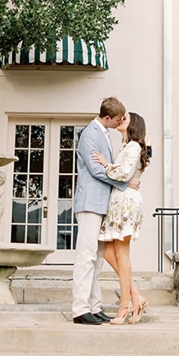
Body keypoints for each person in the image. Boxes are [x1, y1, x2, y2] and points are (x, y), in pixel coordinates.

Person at [71, 96, 130, 325]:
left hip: (101, 204)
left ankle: (94, 306)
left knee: (97, 259)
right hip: (89, 204)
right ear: (107, 117)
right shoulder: (89, 134)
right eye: (117, 119)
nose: (119, 122)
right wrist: (124, 182)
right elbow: (96, 170)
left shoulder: (104, 133)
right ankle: (80, 308)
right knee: (86, 256)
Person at [93, 111, 152, 324]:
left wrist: (105, 164)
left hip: (126, 201)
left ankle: (124, 306)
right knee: (110, 253)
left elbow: (124, 174)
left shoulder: (135, 146)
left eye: (124, 118)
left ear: (133, 124)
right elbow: (125, 175)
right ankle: (136, 296)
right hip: (119, 200)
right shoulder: (127, 146)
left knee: (121, 253)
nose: (120, 120)